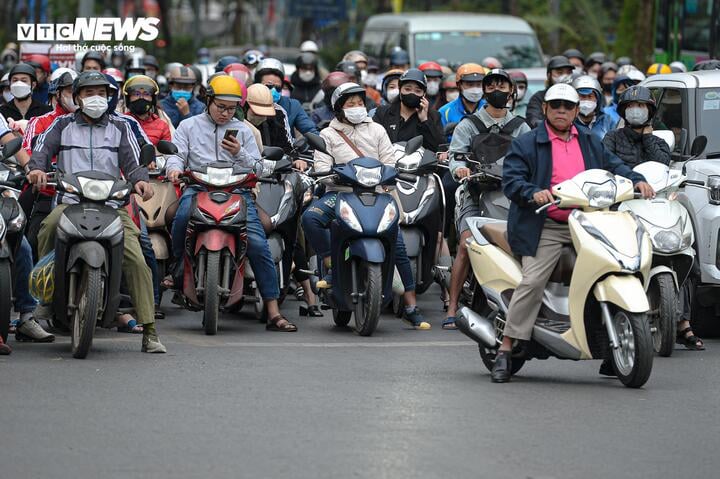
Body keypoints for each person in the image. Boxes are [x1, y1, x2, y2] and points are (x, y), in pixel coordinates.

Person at [492, 83, 654, 382]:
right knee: (533, 280)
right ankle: (506, 346)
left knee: (614, 268)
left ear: (577, 110)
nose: (562, 111)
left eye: (568, 106)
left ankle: (607, 345)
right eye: (556, 106)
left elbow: (614, 165)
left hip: (591, 222)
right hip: (547, 224)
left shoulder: (590, 140)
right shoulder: (527, 143)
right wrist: (534, 192)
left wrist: (638, 179)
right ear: (545, 109)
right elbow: (512, 181)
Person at [27, 71, 166, 353]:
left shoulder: (121, 126)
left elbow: (133, 159)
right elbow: (41, 151)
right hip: (70, 202)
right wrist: (37, 169)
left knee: (137, 258)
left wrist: (141, 180)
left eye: (101, 93)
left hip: (112, 206)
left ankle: (150, 330)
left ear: (109, 97)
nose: (96, 99)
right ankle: (45, 297)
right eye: (89, 93)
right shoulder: (61, 125)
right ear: (77, 98)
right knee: (47, 229)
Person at [166, 75, 297, 332]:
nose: (226, 113)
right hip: (198, 188)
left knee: (258, 243)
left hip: (238, 192)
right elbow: (177, 155)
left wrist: (239, 152)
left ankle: (273, 310)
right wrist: (173, 169)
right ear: (208, 100)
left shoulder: (245, 131)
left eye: (231, 108)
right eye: (221, 106)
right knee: (181, 218)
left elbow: (259, 167)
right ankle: (177, 268)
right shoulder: (188, 126)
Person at [300, 82, 429, 330]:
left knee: (398, 243)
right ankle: (330, 264)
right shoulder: (328, 134)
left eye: (360, 103)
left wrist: (392, 173)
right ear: (338, 108)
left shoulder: (378, 130)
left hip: (377, 194)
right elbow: (321, 165)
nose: (357, 107)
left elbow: (389, 160)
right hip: (341, 194)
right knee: (311, 218)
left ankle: (411, 306)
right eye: (351, 104)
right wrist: (331, 175)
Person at [603, 85, 703, 352]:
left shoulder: (658, 142)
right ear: (624, 111)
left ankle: (682, 322)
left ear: (650, 112)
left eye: (643, 107)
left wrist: (647, 136)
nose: (637, 111)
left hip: (656, 204)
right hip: (623, 205)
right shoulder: (611, 139)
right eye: (632, 107)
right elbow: (607, 166)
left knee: (689, 256)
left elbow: (661, 164)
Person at [444, 69, 531, 329]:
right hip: (476, 193)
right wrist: (459, 168)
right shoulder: (469, 124)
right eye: (490, 85)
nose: (496, 89)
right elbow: (456, 155)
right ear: (484, 90)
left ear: (511, 91)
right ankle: (452, 306)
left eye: (502, 85)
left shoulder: (521, 126)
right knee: (466, 244)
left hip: (510, 195)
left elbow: (531, 158)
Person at [372, 68, 444, 152]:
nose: (412, 93)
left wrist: (425, 121)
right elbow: (373, 141)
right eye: (407, 89)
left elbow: (438, 148)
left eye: (418, 91)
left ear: (424, 94)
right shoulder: (383, 112)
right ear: (400, 89)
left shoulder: (434, 116)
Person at [255, 58, 319, 136]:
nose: (273, 91)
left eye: (277, 87)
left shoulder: (292, 106)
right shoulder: (247, 104)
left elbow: (310, 130)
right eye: (269, 86)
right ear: (257, 84)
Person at [525, 55, 575, 128]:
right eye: (560, 73)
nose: (565, 77)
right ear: (549, 75)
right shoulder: (539, 98)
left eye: (568, 73)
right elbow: (533, 120)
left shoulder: (575, 96)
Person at [122, 75, 172, 146]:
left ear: (153, 99)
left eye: (146, 94)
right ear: (128, 98)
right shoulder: (121, 122)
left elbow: (167, 154)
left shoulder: (162, 126)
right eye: (136, 94)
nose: (141, 97)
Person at [438, 63, 487, 129]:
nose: (475, 90)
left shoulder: (489, 109)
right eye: (470, 85)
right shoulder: (445, 111)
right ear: (459, 85)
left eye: (479, 85)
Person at [572, 75, 614, 140]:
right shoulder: (569, 122)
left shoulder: (607, 121)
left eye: (590, 96)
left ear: (598, 99)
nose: (586, 100)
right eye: (582, 96)